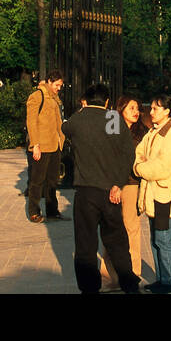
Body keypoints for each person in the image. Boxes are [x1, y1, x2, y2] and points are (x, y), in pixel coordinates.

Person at [61, 83, 139, 294]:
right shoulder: (112, 119)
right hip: (111, 191)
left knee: (85, 244)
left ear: (85, 101)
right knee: (117, 242)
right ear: (106, 102)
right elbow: (126, 154)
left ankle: (89, 288)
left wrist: (82, 109)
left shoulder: (78, 119)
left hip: (86, 192)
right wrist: (118, 183)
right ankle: (129, 284)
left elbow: (64, 127)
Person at [133, 94, 171, 293]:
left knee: (164, 239)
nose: (151, 112)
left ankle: (170, 281)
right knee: (155, 239)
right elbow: (139, 152)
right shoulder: (153, 131)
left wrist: (139, 169)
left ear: (167, 111)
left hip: (164, 195)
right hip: (151, 194)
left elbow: (164, 166)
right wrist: (141, 163)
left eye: (156, 108)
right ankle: (161, 278)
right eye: (152, 108)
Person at [101, 95, 147, 290]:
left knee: (131, 229)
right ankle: (108, 276)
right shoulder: (112, 128)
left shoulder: (142, 132)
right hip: (111, 185)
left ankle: (133, 274)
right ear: (120, 110)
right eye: (131, 108)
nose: (136, 112)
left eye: (137, 108)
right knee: (111, 229)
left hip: (131, 184)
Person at [25, 70, 66, 224]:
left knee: (52, 181)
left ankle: (52, 211)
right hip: (41, 146)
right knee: (37, 181)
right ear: (49, 81)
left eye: (60, 85)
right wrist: (35, 145)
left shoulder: (54, 98)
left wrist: (62, 140)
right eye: (57, 85)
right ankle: (34, 212)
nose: (59, 88)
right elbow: (31, 122)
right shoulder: (37, 96)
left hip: (55, 145)